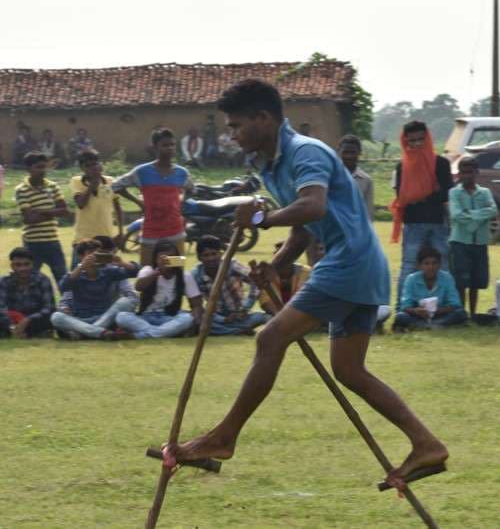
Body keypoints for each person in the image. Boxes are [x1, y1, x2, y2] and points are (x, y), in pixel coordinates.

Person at [166, 79, 447, 491]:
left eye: (236, 125)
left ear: (264, 118)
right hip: (359, 265)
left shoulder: (304, 153)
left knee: (270, 339)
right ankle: (426, 444)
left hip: (348, 262)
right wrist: (277, 266)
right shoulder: (270, 165)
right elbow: (303, 228)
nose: (231, 134)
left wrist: (260, 220)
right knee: (349, 370)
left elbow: (312, 205)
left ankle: (223, 437)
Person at [391, 121, 454, 310]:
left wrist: (418, 197)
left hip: (437, 223)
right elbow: (402, 196)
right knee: (409, 266)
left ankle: (447, 306)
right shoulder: (402, 166)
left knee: (442, 266)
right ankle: (403, 309)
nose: (417, 144)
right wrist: (427, 193)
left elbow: (446, 192)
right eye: (412, 141)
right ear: (405, 141)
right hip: (413, 223)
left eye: (420, 140)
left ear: (427, 139)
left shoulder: (440, 163)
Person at [113, 128, 193, 266]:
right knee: (147, 270)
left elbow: (191, 189)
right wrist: (139, 202)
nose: (170, 148)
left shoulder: (182, 173)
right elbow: (116, 186)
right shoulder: (142, 172)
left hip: (175, 230)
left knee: (176, 269)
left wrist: (181, 201)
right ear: (155, 147)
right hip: (151, 231)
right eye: (165, 145)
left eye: (172, 145)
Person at [50, 239, 136, 340]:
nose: (95, 257)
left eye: (97, 253)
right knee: (56, 317)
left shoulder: (109, 272)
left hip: (105, 317)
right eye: (91, 254)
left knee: (126, 301)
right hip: (80, 319)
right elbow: (63, 286)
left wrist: (121, 262)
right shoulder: (76, 275)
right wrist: (81, 266)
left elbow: (136, 272)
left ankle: (85, 333)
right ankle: (100, 332)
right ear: (81, 257)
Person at [115, 240, 202, 339]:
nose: (167, 261)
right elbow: (138, 287)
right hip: (146, 317)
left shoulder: (184, 275)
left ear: (177, 258)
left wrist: (195, 322)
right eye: (163, 258)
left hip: (169, 317)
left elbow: (196, 304)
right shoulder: (148, 271)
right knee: (121, 317)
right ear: (156, 259)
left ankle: (139, 335)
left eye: (170, 257)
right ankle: (167, 332)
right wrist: (158, 272)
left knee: (187, 318)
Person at [448, 156, 497, 315]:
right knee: (461, 279)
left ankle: (474, 312)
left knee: (477, 279)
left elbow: (493, 210)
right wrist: (477, 219)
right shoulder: (454, 192)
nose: (467, 176)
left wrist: (471, 217)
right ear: (459, 174)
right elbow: (455, 214)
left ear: (476, 172)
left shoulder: (485, 192)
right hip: (460, 240)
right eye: (464, 172)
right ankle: (461, 312)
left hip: (480, 241)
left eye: (470, 172)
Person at [191, 235, 268, 336]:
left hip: (241, 315)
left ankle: (230, 330)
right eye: (206, 255)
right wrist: (224, 319)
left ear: (221, 254)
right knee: (199, 321)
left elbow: (255, 281)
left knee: (268, 317)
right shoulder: (196, 275)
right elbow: (198, 305)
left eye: (214, 254)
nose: (211, 258)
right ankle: (237, 331)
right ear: (199, 257)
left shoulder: (231, 265)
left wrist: (245, 307)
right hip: (217, 317)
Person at [14, 151, 69, 283]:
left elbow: (65, 211)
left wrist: (39, 211)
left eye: (44, 166)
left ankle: (67, 304)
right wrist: (52, 212)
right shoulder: (21, 189)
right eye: (38, 167)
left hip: (52, 240)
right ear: (28, 168)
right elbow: (29, 219)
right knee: (30, 280)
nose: (43, 170)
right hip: (32, 243)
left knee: (63, 278)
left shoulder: (53, 186)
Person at [393, 245, 468, 331]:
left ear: (439, 265)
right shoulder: (411, 279)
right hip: (419, 316)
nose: (431, 267)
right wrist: (416, 311)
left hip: (441, 314)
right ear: (419, 266)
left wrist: (436, 311)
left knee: (461, 313)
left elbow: (455, 304)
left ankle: (429, 325)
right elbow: (405, 305)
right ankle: (432, 325)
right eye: (426, 263)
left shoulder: (447, 278)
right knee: (400, 316)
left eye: (434, 263)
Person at [70, 149, 123, 267]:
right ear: (82, 168)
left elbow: (118, 207)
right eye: (87, 166)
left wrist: (120, 232)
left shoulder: (109, 181)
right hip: (83, 239)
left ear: (100, 164)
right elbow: (81, 203)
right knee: (78, 276)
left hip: (107, 238)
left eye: (94, 164)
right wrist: (93, 185)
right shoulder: (77, 181)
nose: (92, 168)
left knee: (109, 275)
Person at [0, 247, 55, 338]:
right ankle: (16, 331)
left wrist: (28, 319)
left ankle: (26, 332)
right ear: (12, 266)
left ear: (32, 265)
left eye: (26, 264)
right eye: (18, 265)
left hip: (35, 320)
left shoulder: (42, 280)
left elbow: (48, 308)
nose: (23, 268)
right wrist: (12, 326)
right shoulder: (4, 281)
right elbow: (1, 308)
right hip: (11, 320)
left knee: (53, 317)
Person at [338, 134, 374, 220]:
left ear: (359, 152)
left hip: (356, 228)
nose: (349, 156)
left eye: (352, 152)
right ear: (339, 151)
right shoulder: (330, 177)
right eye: (345, 152)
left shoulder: (366, 180)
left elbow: (368, 211)